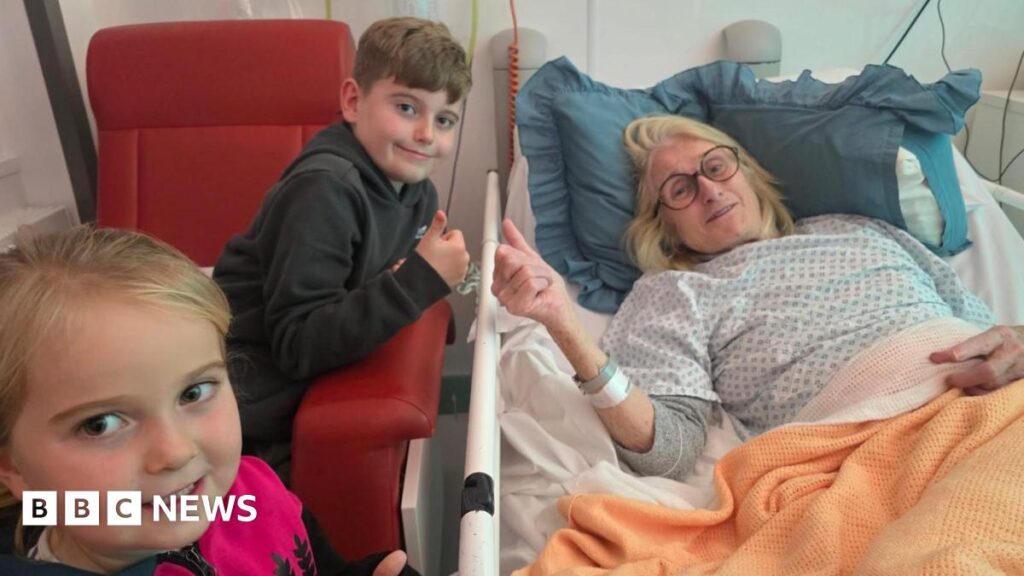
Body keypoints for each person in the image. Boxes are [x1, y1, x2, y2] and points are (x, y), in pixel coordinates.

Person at [492, 114, 1024, 482]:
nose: (708, 189)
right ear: (666, 228)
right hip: (875, 447)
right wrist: (565, 325)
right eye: (679, 189)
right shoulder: (676, 292)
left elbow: (987, 327)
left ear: (746, 170)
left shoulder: (858, 228)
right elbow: (668, 452)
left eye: (716, 166)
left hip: (996, 408)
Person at [0, 226, 415, 575]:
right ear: (12, 467)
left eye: (193, 393)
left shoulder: (249, 493)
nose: (175, 452)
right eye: (100, 424)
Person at [213, 17, 472, 462]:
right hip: (243, 405)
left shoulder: (417, 193)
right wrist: (418, 280)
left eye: (444, 119)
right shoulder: (325, 190)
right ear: (353, 101)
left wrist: (486, 277)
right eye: (407, 108)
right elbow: (298, 345)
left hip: (308, 384)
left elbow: (396, 271)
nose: (427, 134)